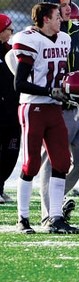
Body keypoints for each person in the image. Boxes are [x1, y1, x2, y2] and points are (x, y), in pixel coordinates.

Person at [11, 2, 79, 234]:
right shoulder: (29, 39)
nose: (60, 19)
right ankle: (23, 219)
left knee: (61, 162)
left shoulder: (64, 39)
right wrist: (49, 91)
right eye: (56, 16)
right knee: (31, 163)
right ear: (44, 19)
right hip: (33, 107)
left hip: (54, 108)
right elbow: (19, 83)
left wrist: (70, 90)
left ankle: (55, 217)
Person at [36, 0, 79, 225]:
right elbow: (14, 59)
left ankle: (56, 199)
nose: (69, 7)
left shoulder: (75, 31)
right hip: (55, 104)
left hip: (77, 104)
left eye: (70, 2)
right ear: (49, 9)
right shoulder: (39, 34)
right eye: (62, 4)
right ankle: (47, 213)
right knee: (51, 160)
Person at [0, 14, 20, 204]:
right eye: (8, 29)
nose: (11, 33)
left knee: (11, 151)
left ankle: (1, 186)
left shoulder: (10, 52)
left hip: (12, 111)